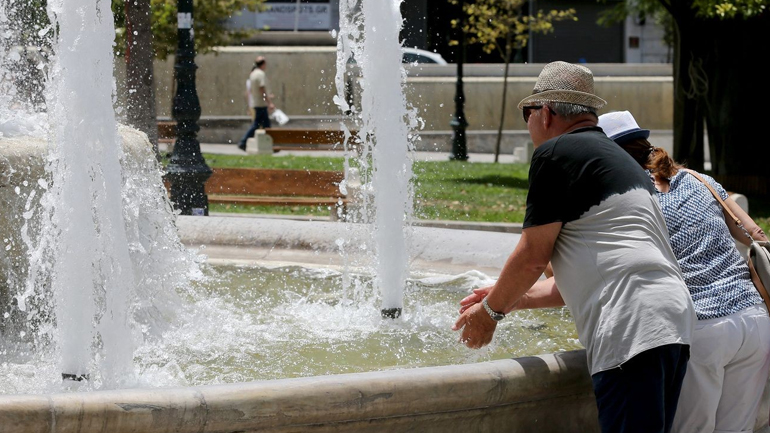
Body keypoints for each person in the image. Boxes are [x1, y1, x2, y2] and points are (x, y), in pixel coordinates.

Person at [452, 61, 696, 433]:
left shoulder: (557, 154)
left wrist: (490, 313)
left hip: (630, 327)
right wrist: (515, 298)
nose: (529, 124)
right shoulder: (621, 162)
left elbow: (533, 256)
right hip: (671, 319)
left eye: (527, 114)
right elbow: (596, 267)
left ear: (546, 112)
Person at [598, 110, 770, 433]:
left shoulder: (633, 200)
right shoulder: (698, 179)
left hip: (701, 328)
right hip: (755, 321)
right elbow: (755, 234)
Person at [238, 55, 275, 152]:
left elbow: (250, 90)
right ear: (263, 64)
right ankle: (243, 142)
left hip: (255, 102)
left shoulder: (253, 74)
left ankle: (270, 144)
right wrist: (269, 102)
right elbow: (261, 89)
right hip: (261, 103)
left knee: (264, 124)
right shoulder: (260, 74)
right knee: (258, 125)